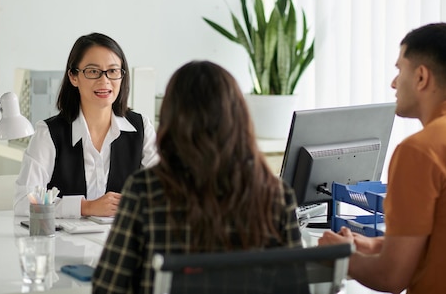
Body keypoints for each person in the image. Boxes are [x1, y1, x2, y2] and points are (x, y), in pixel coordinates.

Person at [318, 23, 446, 294]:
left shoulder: (421, 151)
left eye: (399, 70)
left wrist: (339, 257)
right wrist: (373, 246)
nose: (393, 83)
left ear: (421, 77)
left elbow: (390, 277)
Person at [92, 60, 302, 294]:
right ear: (239, 117)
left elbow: (107, 288)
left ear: (171, 119)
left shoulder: (146, 191)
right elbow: (296, 287)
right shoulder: (275, 193)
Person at [13, 33, 158, 218]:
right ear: (74, 77)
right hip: (63, 245)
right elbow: (23, 201)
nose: (104, 80)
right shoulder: (50, 133)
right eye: (92, 71)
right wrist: (85, 207)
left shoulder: (141, 128)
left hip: (123, 243)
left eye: (113, 71)